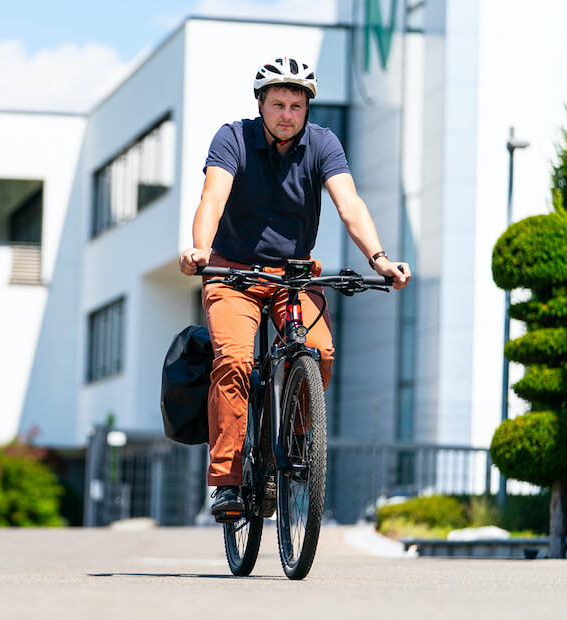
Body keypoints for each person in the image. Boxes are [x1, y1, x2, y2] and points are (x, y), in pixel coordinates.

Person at [178, 56, 411, 519]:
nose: (287, 114)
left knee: (318, 353)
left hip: (293, 275)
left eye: (297, 106)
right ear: (260, 104)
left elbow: (349, 204)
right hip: (233, 273)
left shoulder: (323, 144)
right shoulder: (233, 138)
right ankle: (226, 480)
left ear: (307, 110)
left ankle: (297, 442)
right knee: (235, 359)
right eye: (279, 103)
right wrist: (200, 250)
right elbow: (213, 197)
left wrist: (379, 259)